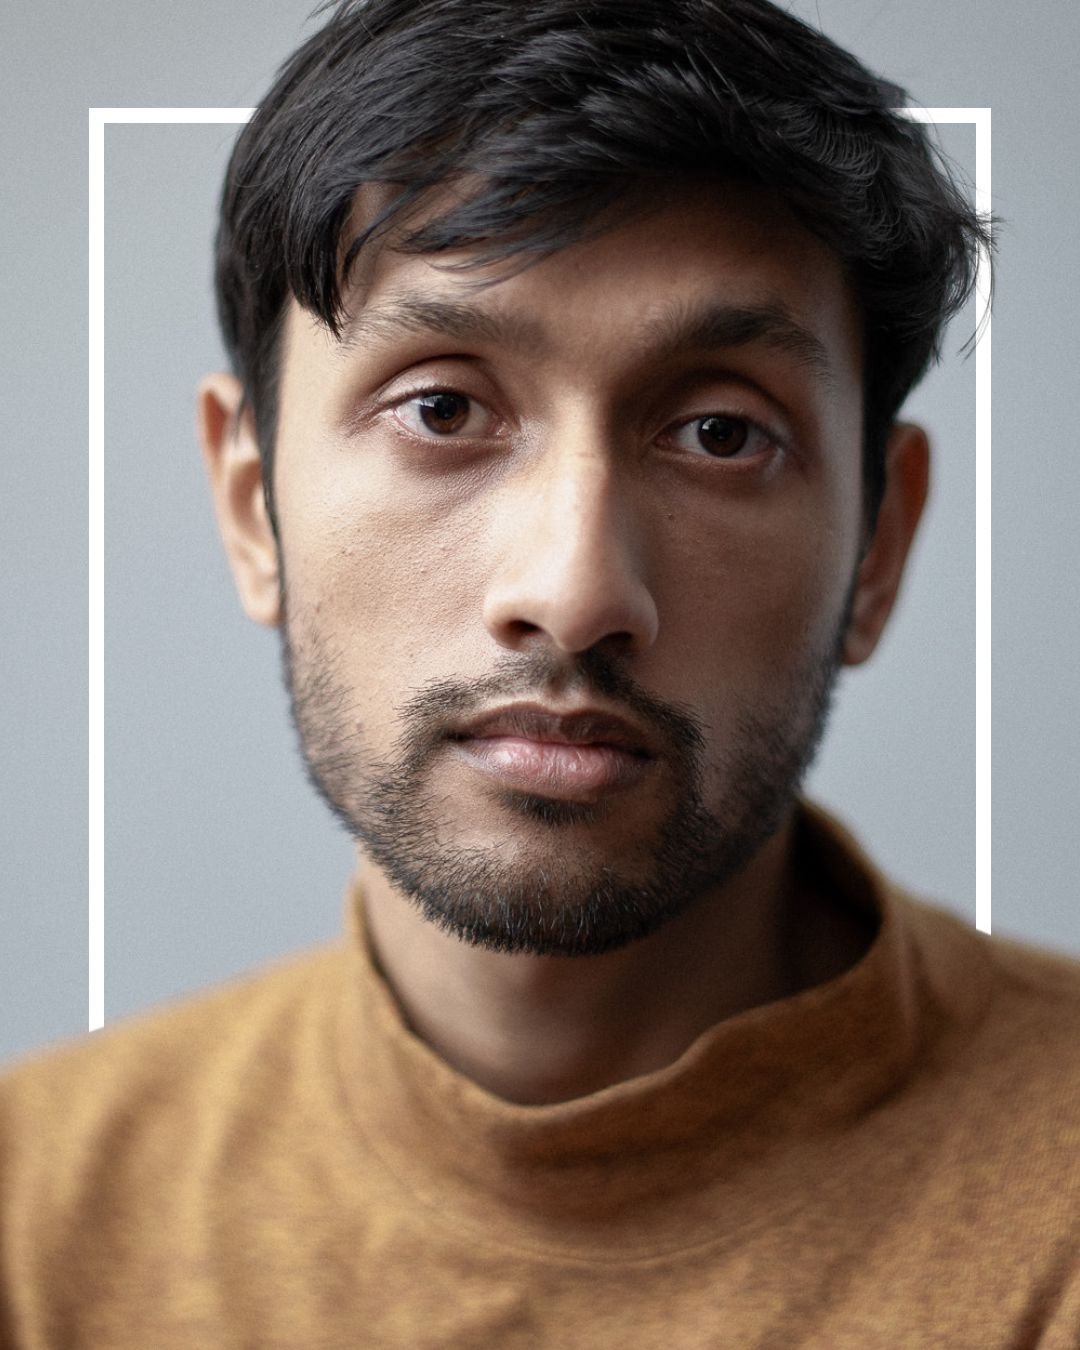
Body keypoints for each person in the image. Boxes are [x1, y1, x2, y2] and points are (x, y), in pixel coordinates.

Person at [2, 0, 1077, 1344]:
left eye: (721, 432)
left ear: (879, 545)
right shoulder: (32, 1226)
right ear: (252, 505)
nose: (573, 593)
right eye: (443, 408)